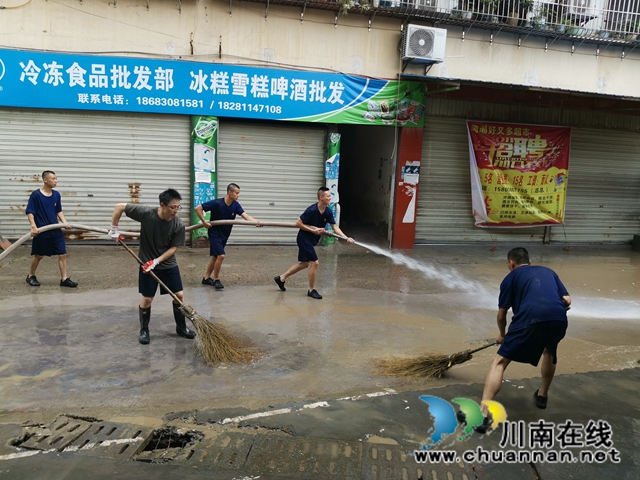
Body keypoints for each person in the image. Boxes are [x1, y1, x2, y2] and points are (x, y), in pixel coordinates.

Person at [479, 247, 571, 428]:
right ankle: (543, 395)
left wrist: (502, 335)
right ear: (529, 262)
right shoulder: (548, 271)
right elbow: (567, 300)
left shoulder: (510, 278)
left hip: (530, 317)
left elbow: (501, 315)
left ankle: (483, 413)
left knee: (499, 362)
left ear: (511, 263)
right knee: (549, 351)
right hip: (558, 318)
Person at [108, 188, 196, 345]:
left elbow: (174, 248)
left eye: (178, 207)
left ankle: (181, 328)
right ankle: (144, 330)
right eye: (172, 207)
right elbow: (119, 207)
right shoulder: (147, 214)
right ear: (162, 205)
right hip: (146, 264)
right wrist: (114, 228)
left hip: (167, 264)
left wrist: (156, 261)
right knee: (148, 298)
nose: (176, 210)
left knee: (179, 296)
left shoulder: (178, 224)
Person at [274, 187, 354, 300]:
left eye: (330, 196)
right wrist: (313, 231)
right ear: (321, 197)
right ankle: (311, 290)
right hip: (304, 238)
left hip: (312, 240)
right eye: (328, 196)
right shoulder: (311, 210)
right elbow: (298, 223)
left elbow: (335, 226)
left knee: (305, 264)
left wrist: (346, 238)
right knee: (315, 263)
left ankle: (281, 278)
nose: (330, 198)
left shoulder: (328, 211)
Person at [195, 183, 260, 289]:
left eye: (239, 193)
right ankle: (216, 280)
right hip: (214, 233)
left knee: (216, 256)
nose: (238, 195)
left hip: (225, 234)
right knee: (221, 255)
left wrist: (255, 222)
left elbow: (245, 215)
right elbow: (198, 208)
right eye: (236, 193)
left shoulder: (236, 205)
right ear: (230, 193)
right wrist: (204, 222)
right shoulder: (217, 203)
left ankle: (206, 278)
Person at [25, 170, 78, 288]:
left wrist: (65, 223)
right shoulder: (36, 195)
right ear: (45, 180)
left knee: (62, 254)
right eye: (53, 178)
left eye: (56, 178)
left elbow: (58, 210)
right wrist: (33, 226)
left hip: (55, 229)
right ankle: (31, 276)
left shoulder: (56, 195)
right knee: (39, 255)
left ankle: (64, 279)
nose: (56, 181)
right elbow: (30, 211)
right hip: (42, 230)